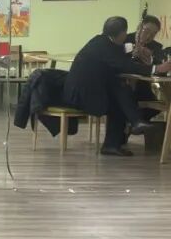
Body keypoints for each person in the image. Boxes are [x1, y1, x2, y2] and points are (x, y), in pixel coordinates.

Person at [65, 16, 171, 157]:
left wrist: (147, 57)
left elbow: (122, 55)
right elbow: (123, 64)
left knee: (121, 93)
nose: (149, 36)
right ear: (123, 33)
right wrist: (155, 68)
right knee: (120, 97)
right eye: (147, 30)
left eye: (154, 33)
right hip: (83, 93)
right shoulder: (106, 46)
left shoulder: (103, 41)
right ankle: (127, 129)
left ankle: (126, 130)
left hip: (96, 88)